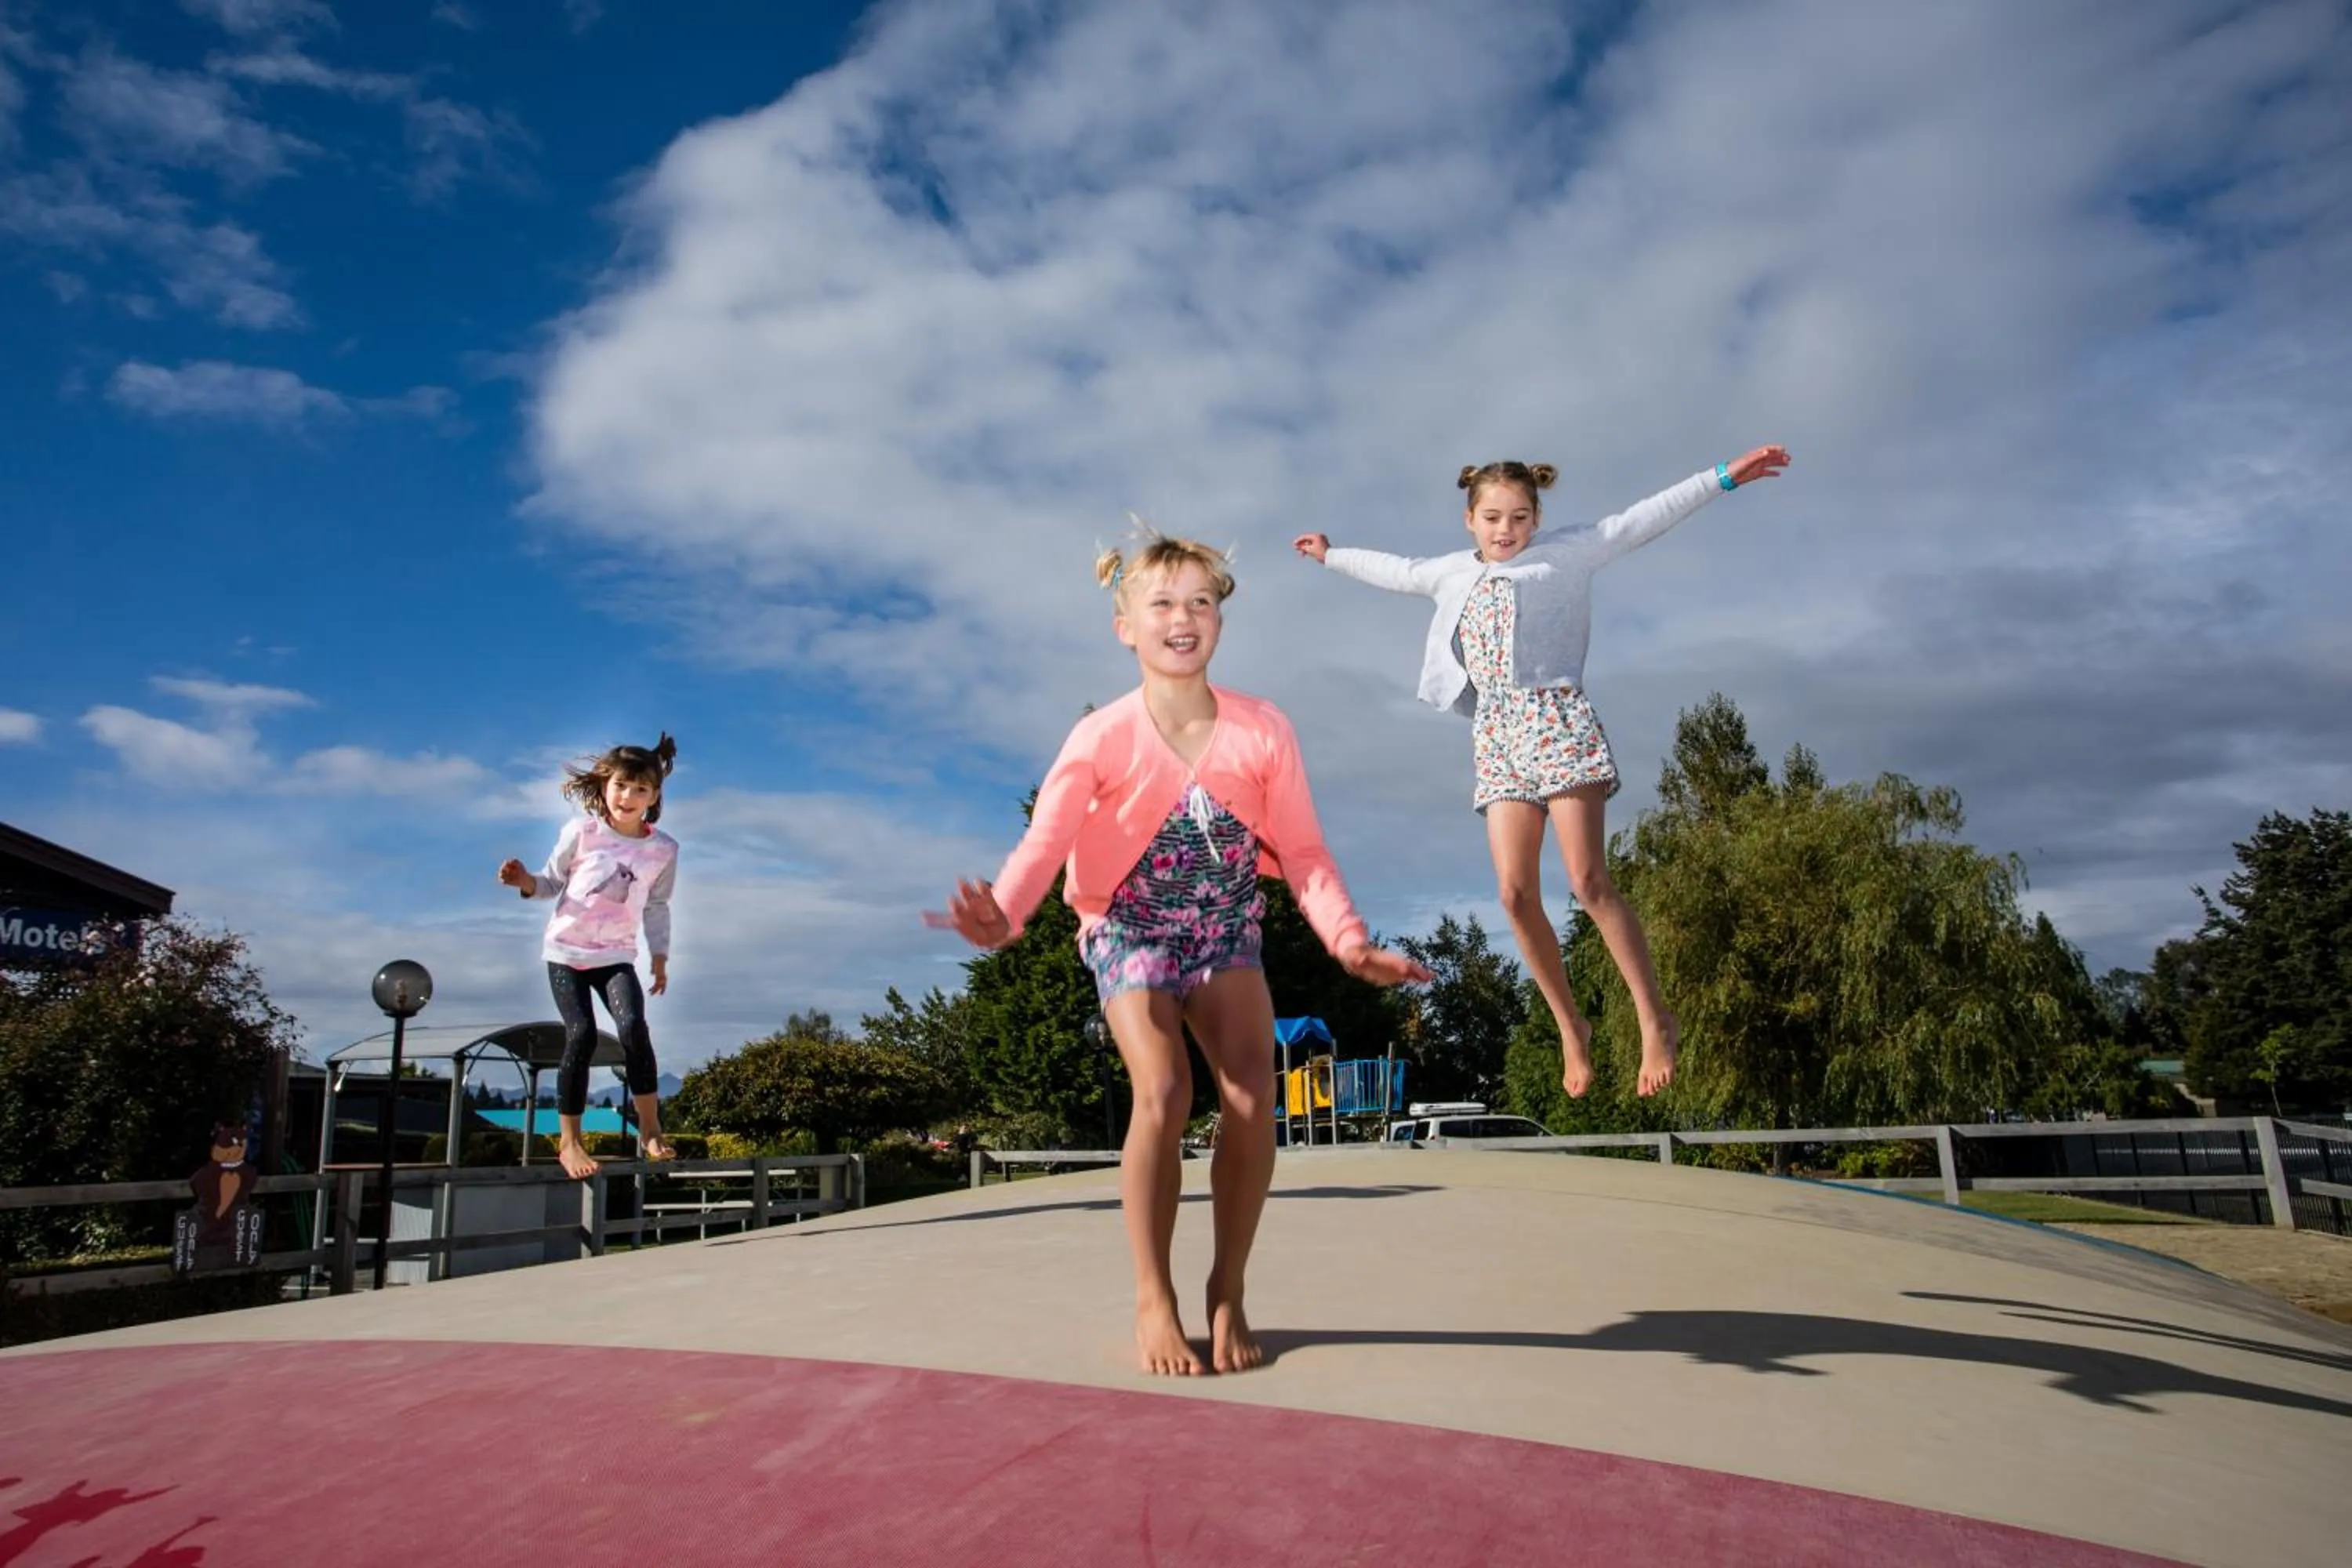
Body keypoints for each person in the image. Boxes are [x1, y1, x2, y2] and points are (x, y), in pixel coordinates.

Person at [932, 531, 1428, 1377]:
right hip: (1127, 928)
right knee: (1164, 1088)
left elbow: (1304, 853)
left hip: (1226, 927)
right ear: (1125, 626)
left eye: (1201, 600)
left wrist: (1350, 942)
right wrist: (1005, 915)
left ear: (1220, 622)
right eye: (1161, 602)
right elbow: (1046, 841)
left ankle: (1227, 1288)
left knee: (1253, 1097)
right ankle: (1152, 1296)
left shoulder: (1264, 729)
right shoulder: (1101, 736)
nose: (1183, 616)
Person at [1294, 448, 1790, 1099]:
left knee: (1587, 880)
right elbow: (1396, 570)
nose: (1507, 530)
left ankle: (1654, 1018)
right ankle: (1570, 1026)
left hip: (1557, 720)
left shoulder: (1568, 554)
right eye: (1493, 518)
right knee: (1513, 895)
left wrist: (1723, 477)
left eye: (1520, 517)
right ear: (1470, 519)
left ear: (1537, 517)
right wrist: (1331, 555)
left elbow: (1644, 518)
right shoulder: (1450, 573)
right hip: (1496, 735)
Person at [499, 733, 682, 1178]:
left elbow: (657, 906)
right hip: (567, 953)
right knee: (580, 1034)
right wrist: (524, 881)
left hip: (616, 955)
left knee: (633, 1027)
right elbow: (550, 883)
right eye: (621, 785)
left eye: (640, 789)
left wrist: (659, 958)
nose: (628, 797)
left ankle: (651, 1129)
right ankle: (570, 1142)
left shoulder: (663, 850)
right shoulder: (582, 833)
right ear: (605, 785)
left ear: (654, 796)